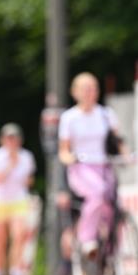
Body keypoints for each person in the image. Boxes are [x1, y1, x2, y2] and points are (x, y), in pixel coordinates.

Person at [58, 72, 127, 258]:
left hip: (104, 165)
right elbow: (63, 150)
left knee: (115, 206)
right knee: (96, 194)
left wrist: (126, 156)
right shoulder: (69, 118)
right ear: (75, 92)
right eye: (85, 89)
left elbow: (118, 142)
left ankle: (113, 250)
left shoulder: (105, 114)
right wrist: (70, 158)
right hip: (82, 167)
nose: (90, 92)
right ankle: (86, 239)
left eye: (93, 88)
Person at [0, 123, 36, 275]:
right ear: (3, 140)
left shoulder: (27, 157)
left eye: (14, 138)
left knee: (19, 235)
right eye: (8, 138)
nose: (12, 141)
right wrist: (10, 166)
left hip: (18, 200)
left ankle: (16, 270)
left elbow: (29, 180)